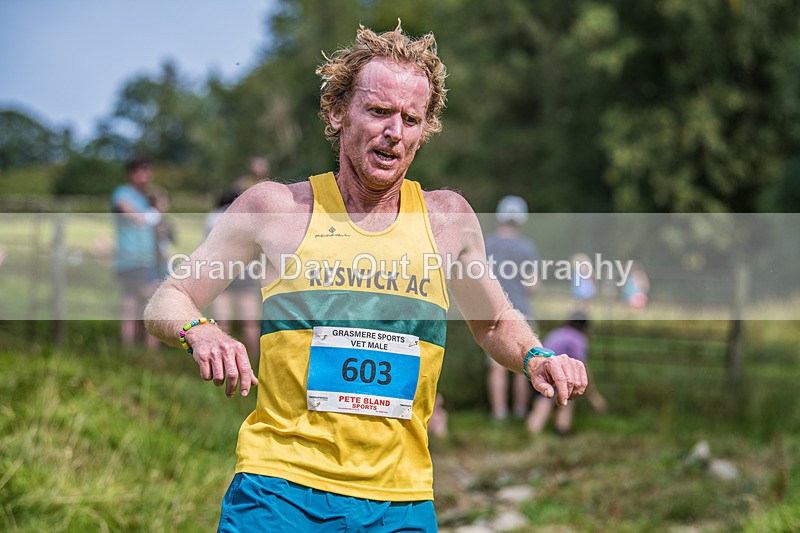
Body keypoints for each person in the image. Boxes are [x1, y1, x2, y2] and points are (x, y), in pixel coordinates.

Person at [144, 23, 588, 530]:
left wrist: (535, 356)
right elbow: (170, 298)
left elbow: (493, 322)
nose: (394, 131)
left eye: (410, 118)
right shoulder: (275, 208)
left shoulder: (447, 220)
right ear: (337, 113)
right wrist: (200, 331)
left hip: (400, 501)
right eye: (378, 111)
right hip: (281, 490)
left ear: (424, 130)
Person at [485, 195, 539, 421]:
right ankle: (519, 412)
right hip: (522, 311)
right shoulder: (526, 247)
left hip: (492, 311)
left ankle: (499, 414)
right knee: (525, 364)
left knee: (496, 366)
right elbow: (532, 286)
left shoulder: (487, 243)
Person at [204, 184, 262, 359]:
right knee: (250, 323)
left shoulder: (212, 217)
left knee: (222, 324)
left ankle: (222, 361)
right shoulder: (249, 217)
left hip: (220, 273)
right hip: (246, 273)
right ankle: (255, 360)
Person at [526, 310, 607, 436]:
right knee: (565, 399)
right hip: (557, 372)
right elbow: (582, 366)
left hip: (540, 368)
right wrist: (593, 396)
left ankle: (531, 433)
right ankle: (561, 429)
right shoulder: (578, 338)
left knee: (544, 399)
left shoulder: (558, 332)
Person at [111, 155, 162, 349]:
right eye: (139, 170)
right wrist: (150, 215)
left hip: (142, 260)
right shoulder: (122, 192)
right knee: (153, 305)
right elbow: (128, 211)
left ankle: (129, 351)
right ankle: (151, 354)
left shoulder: (145, 197)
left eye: (147, 170)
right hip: (133, 259)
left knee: (132, 307)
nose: (144, 175)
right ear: (130, 174)